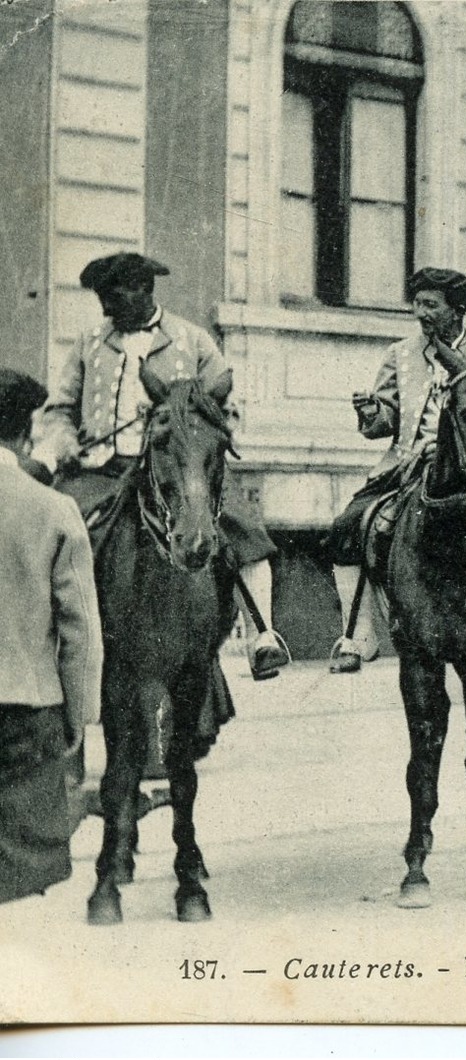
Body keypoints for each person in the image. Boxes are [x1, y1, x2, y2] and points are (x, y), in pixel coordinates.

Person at [33, 252, 289, 680]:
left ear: (143, 290)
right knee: (56, 524)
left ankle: (262, 636)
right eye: (103, 300)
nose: (106, 309)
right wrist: (66, 443)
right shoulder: (89, 342)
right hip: (105, 468)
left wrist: (208, 441)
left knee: (242, 528)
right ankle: (48, 638)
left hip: (175, 469)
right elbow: (60, 409)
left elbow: (226, 408)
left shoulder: (192, 339)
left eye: (113, 298)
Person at [327, 267, 466, 672]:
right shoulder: (399, 354)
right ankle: (359, 633)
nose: (420, 313)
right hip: (407, 464)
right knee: (347, 525)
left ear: (456, 310)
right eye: (417, 304)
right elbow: (385, 421)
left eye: (430, 305)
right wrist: (372, 412)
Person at [0, 370, 101, 904]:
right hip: (28, 710)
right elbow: (80, 630)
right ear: (27, 432)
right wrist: (78, 718)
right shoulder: (55, 510)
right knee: (18, 873)